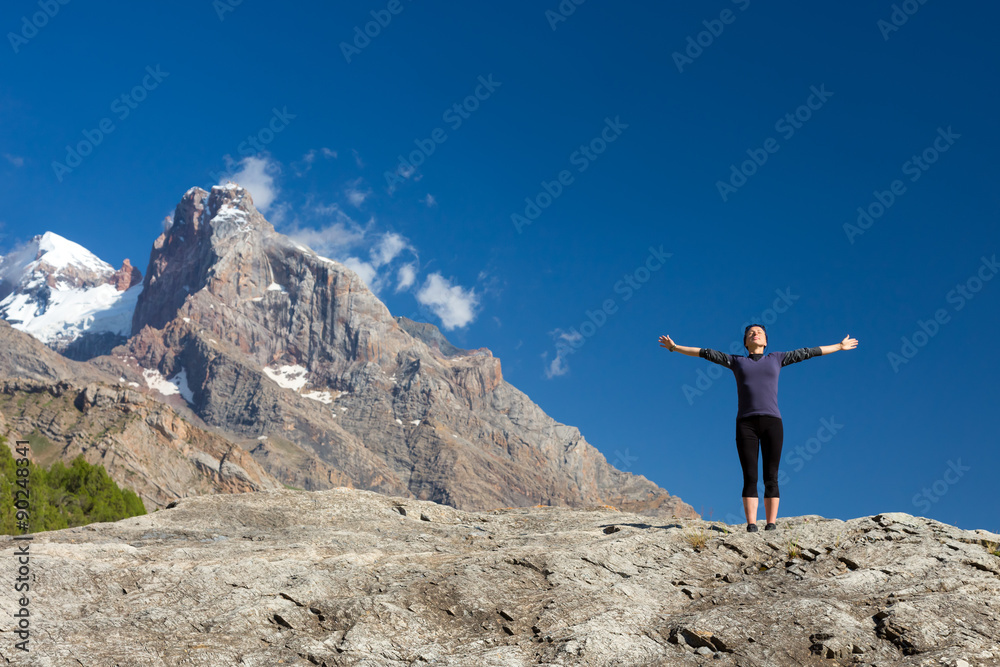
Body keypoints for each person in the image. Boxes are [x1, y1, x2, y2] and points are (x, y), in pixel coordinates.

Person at [658, 325, 858, 532]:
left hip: (773, 422)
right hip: (746, 424)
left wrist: (839, 346)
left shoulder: (777, 358)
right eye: (751, 333)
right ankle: (751, 525)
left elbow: (809, 352)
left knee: (771, 475)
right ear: (745, 342)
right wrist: (674, 347)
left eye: (759, 332)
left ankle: (771, 524)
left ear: (766, 342)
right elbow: (705, 353)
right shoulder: (736, 361)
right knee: (750, 476)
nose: (755, 334)